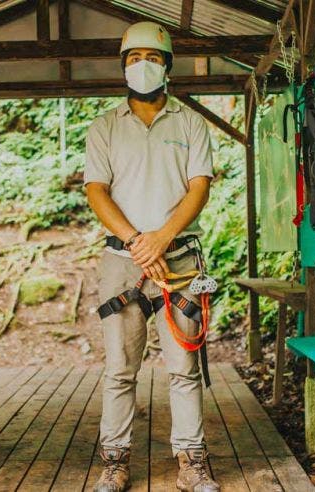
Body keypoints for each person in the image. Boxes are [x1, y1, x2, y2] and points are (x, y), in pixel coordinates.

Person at [84, 21, 220, 492]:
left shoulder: (189, 123)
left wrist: (161, 239)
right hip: (123, 263)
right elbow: (96, 191)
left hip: (178, 259)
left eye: (153, 57)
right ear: (122, 66)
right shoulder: (105, 127)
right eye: (133, 58)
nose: (143, 65)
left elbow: (198, 187)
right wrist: (139, 243)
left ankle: (192, 462)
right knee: (120, 370)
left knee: (184, 368)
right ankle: (115, 462)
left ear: (168, 66)